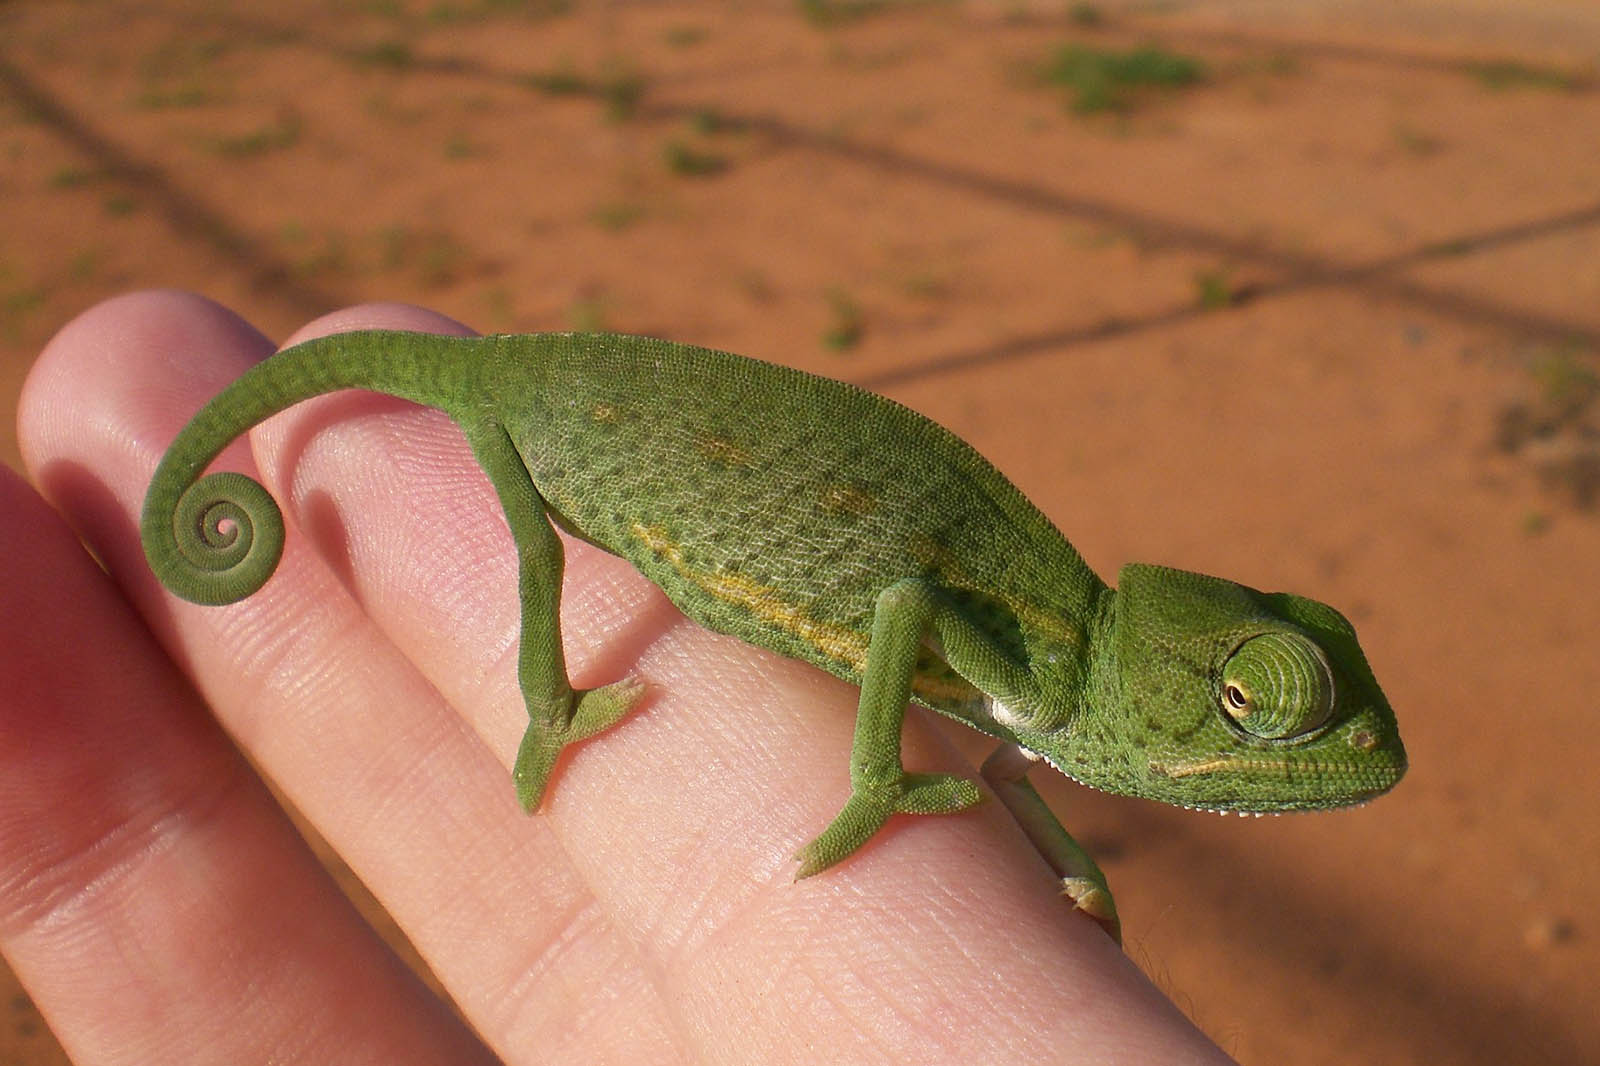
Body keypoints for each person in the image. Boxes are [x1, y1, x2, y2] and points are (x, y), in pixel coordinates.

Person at [0, 291, 1237, 1063]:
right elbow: (914, 611)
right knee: (531, 555)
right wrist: (877, 781)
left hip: (602, 419)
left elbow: (1018, 755)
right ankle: (551, 705)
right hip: (563, 426)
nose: (1261, 729)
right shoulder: (1055, 656)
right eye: (1253, 703)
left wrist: (1075, 875)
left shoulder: (1057, 678)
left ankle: (557, 707)